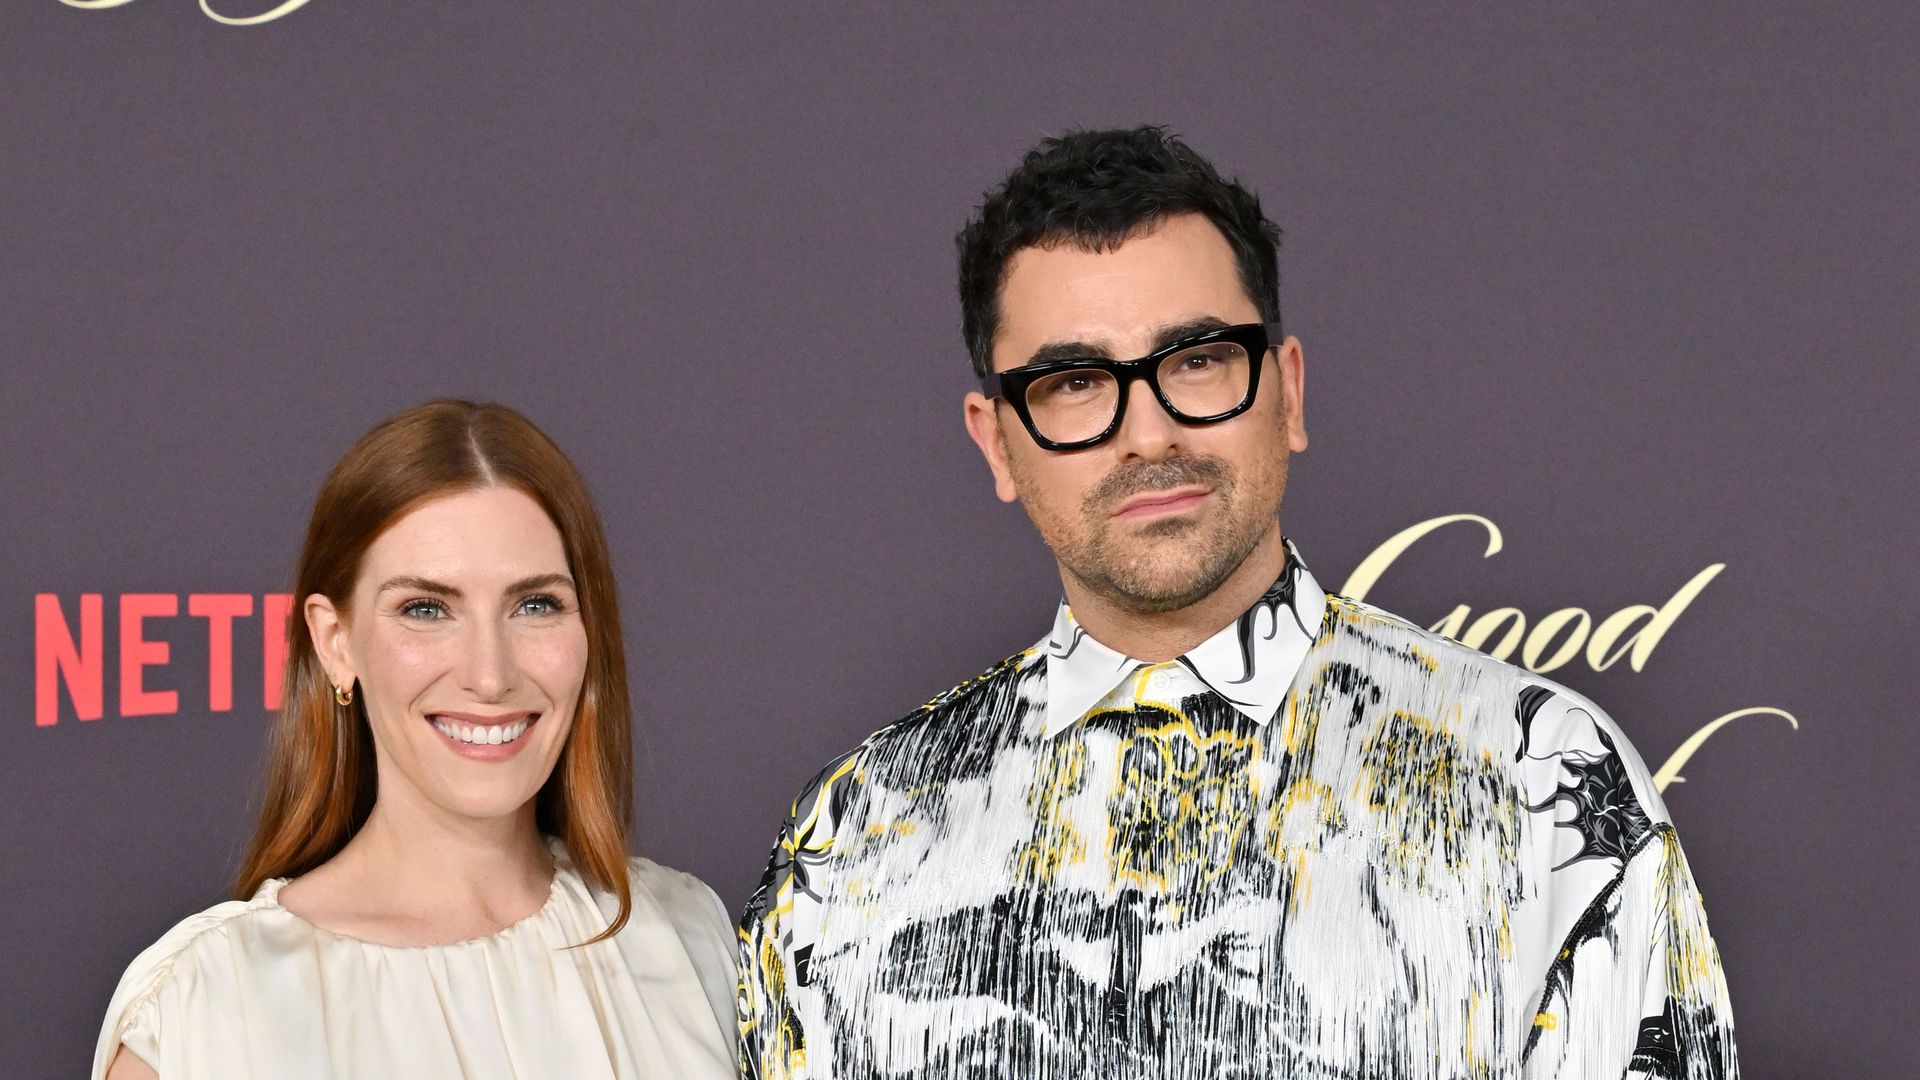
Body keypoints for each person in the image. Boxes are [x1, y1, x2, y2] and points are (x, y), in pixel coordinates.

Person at [737, 127, 1738, 1078]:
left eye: (1198, 361)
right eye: (1077, 383)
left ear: (1287, 392)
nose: (1149, 433)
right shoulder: (859, 835)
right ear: (997, 442)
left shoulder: (1540, 777)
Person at [95, 401, 737, 1079]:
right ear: (334, 642)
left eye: (535, 605)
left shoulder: (689, 939)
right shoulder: (204, 1011)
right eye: (426, 609)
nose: (490, 675)